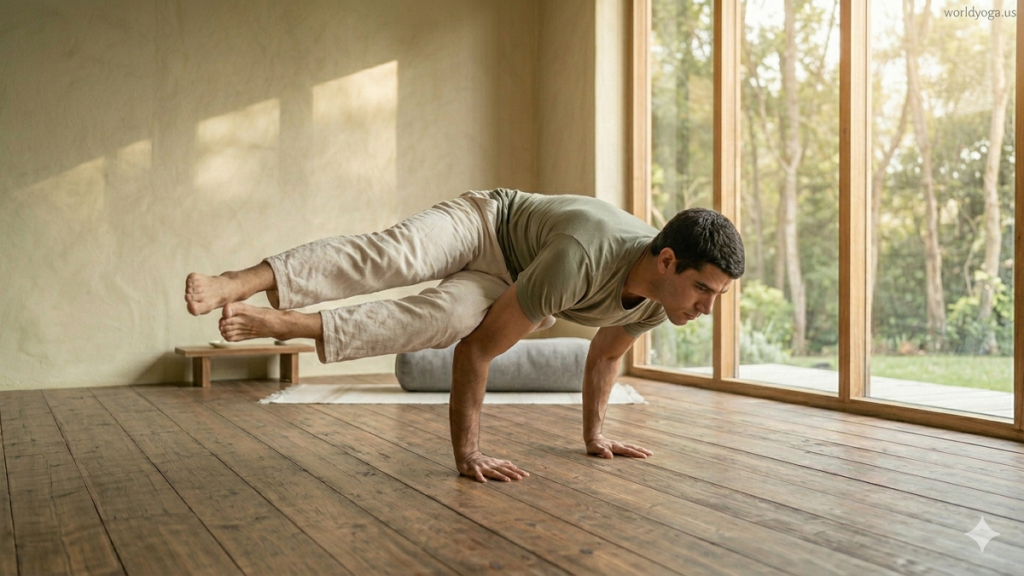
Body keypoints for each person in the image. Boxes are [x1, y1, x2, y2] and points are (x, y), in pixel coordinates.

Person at [184, 189, 744, 483]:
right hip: (485, 224)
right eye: (704, 290)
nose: (707, 308)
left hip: (511, 276)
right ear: (667, 260)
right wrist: (467, 453)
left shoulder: (655, 304)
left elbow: (604, 358)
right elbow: (478, 353)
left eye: (717, 296)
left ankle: (291, 325)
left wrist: (595, 437)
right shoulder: (584, 256)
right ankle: (244, 279)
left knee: (439, 321)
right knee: (392, 256)